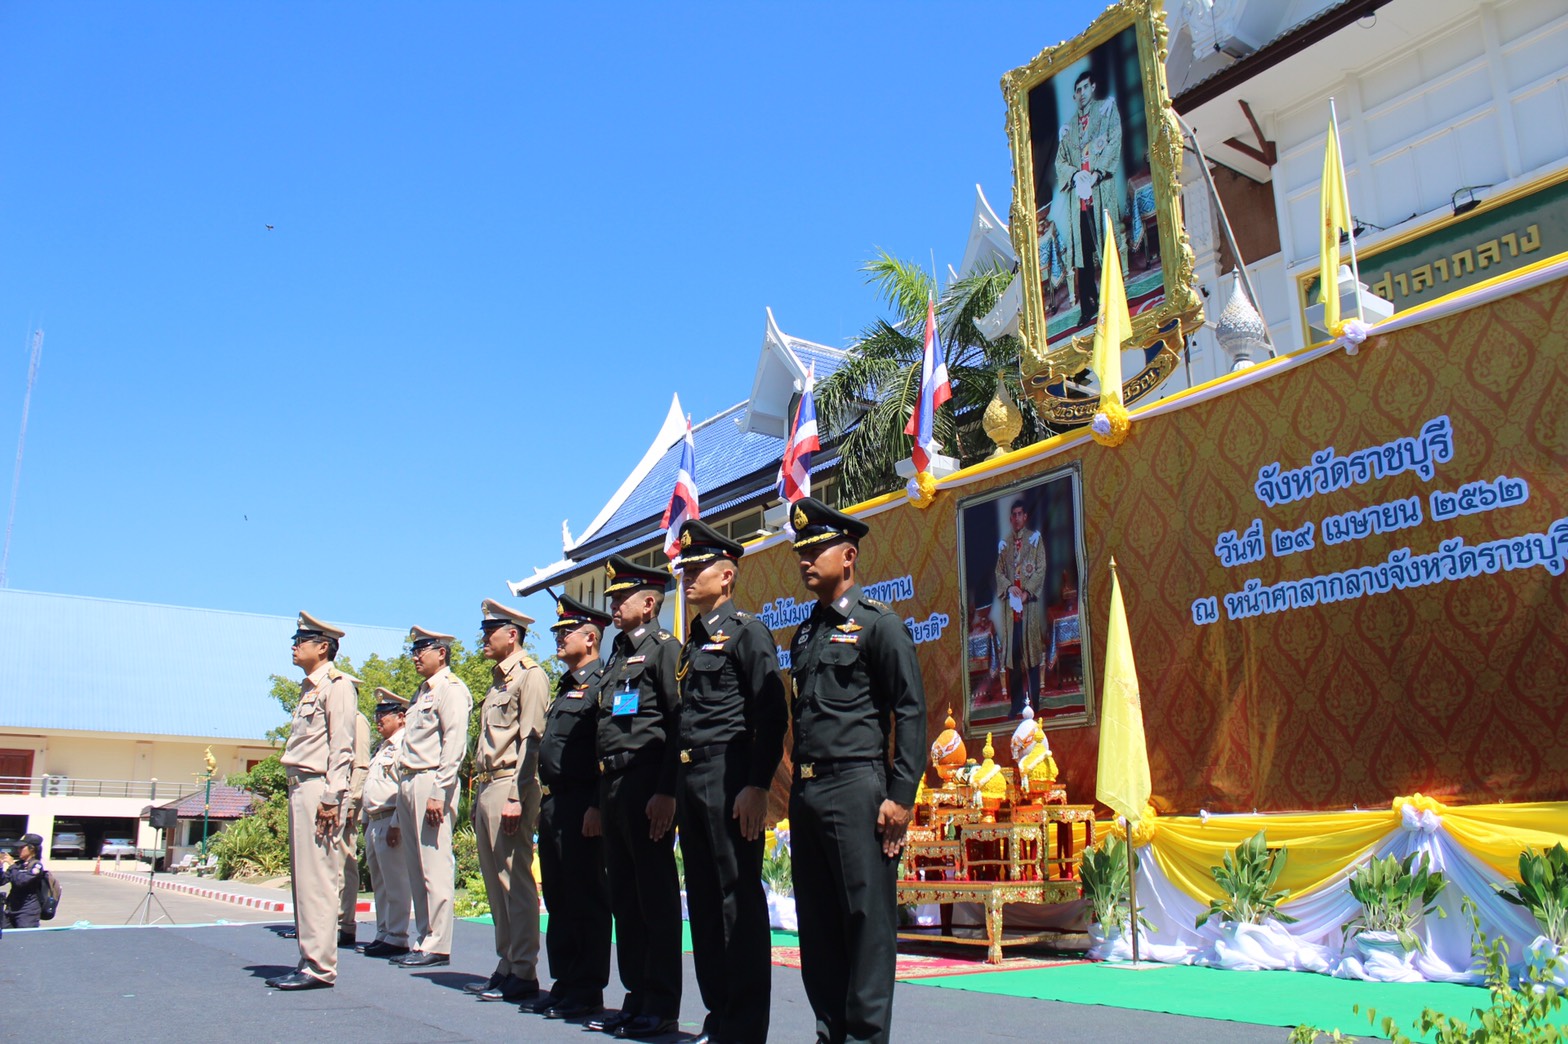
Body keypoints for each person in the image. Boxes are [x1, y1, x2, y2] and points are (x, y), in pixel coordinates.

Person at [786, 497, 927, 1044]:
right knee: (818, 927)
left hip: (858, 787)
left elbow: (910, 709)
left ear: (848, 557)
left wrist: (901, 793)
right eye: (800, 551)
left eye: (815, 549)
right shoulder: (805, 634)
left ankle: (866, 1038)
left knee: (866, 925)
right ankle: (830, 1034)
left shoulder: (878, 627)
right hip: (810, 791)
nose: (805, 559)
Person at [672, 520, 788, 1044]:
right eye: (685, 569)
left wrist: (757, 784)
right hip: (692, 776)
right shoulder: (690, 643)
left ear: (726, 576)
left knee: (735, 899)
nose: (687, 577)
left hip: (730, 774)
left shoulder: (747, 632)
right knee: (700, 899)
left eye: (697, 569)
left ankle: (744, 1027)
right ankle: (718, 1016)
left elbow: (771, 713)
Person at [584, 554, 682, 1040]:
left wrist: (667, 790)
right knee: (624, 897)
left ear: (649, 603)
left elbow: (676, 722)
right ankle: (636, 995)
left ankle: (661, 1003)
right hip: (614, 785)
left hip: (647, 784)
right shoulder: (617, 657)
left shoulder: (665, 650)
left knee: (654, 899)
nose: (614, 605)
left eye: (621, 597)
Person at [531, 594, 613, 1020]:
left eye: (567, 633)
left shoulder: (603, 683)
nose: (559, 639)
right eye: (558, 633)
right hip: (555, 802)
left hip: (584, 802)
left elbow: (604, 747)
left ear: (592, 637)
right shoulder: (565, 686)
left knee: (586, 897)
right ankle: (564, 982)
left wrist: (598, 804)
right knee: (559, 897)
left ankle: (587, 988)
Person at [268, 611, 358, 991]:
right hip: (300, 787)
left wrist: (331, 797)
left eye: (300, 640)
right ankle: (309, 959)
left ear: (323, 647)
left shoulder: (337, 686)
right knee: (305, 880)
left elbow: (342, 747)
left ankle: (319, 966)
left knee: (318, 879)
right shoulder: (310, 688)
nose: (294, 646)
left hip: (318, 788)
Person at [464, 599, 549, 1004]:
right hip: (488, 784)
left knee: (514, 881)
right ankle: (506, 963)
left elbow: (530, 739)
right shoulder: (498, 681)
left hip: (510, 784)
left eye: (488, 632)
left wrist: (516, 794)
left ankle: (524, 970)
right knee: (494, 882)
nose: (483, 639)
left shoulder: (530, 676)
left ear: (511, 634)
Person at [394, 625, 474, 969]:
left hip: (431, 781)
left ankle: (438, 942)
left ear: (441, 652)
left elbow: (454, 742)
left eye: (422, 650)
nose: (415, 656)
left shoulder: (450, 690)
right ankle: (424, 937)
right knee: (416, 866)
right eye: (414, 650)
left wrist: (440, 791)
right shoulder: (420, 693)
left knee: (434, 865)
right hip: (409, 780)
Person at [1053, 68, 1127, 325]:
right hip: (1079, 202)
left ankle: (1114, 300)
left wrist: (1096, 174)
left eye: (1085, 87)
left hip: (1101, 193)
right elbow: (1060, 161)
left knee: (1106, 246)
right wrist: (1075, 175)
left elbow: (1115, 140)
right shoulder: (1069, 128)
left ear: (1092, 88)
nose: (1081, 93)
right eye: (1077, 90)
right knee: (1082, 256)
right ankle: (1089, 307)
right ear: (1074, 96)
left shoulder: (1106, 111)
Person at [359, 688, 412, 959]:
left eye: (385, 715)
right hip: (375, 819)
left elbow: (404, 787)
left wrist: (397, 823)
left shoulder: (404, 744)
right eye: (377, 715)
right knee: (379, 881)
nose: (379, 720)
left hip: (391, 818)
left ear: (401, 717)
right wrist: (366, 819)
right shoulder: (382, 747)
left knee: (396, 881)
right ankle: (384, 932)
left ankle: (398, 935)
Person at [994, 499, 1047, 718]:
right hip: (1011, 612)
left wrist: (1026, 592)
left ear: (1025, 517)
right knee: (1014, 658)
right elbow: (999, 573)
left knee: (1032, 656)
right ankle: (1016, 704)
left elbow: (1041, 568)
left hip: (1029, 608)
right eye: (1013, 514)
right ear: (1010, 519)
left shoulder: (1035, 541)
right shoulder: (1005, 544)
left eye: (1020, 514)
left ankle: (1035, 702)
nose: (1016, 518)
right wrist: (1008, 588)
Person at [338, 704, 372, 947]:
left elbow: (360, 764)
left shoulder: (356, 719)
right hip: (326, 799)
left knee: (343, 864)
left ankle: (344, 924)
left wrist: (352, 801)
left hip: (343, 800)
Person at [1, 833, 47, 929]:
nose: (18, 850)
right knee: (6, 937)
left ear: (32, 849)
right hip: (11, 908)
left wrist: (12, 864)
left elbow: (21, 881)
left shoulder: (36, 866)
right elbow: (2, 881)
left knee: (25, 938)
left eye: (21, 847)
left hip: (27, 910)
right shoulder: (18, 865)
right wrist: (0, 866)